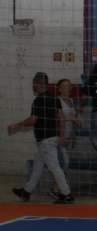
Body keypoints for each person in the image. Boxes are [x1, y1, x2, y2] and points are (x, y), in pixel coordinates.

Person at [8, 72, 74, 204]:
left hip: (45, 140)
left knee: (55, 167)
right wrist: (61, 136)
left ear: (37, 84)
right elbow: (60, 118)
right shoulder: (54, 98)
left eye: (33, 83)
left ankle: (66, 194)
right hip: (51, 138)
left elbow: (33, 120)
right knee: (38, 167)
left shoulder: (38, 100)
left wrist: (17, 125)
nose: (33, 85)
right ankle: (26, 192)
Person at [55, 78, 82, 193]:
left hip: (68, 137)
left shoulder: (71, 101)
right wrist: (72, 118)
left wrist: (74, 135)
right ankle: (58, 189)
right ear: (60, 89)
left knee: (43, 164)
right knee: (64, 162)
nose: (68, 88)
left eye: (69, 86)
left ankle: (27, 189)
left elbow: (73, 120)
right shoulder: (57, 101)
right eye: (65, 86)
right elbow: (55, 119)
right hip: (58, 136)